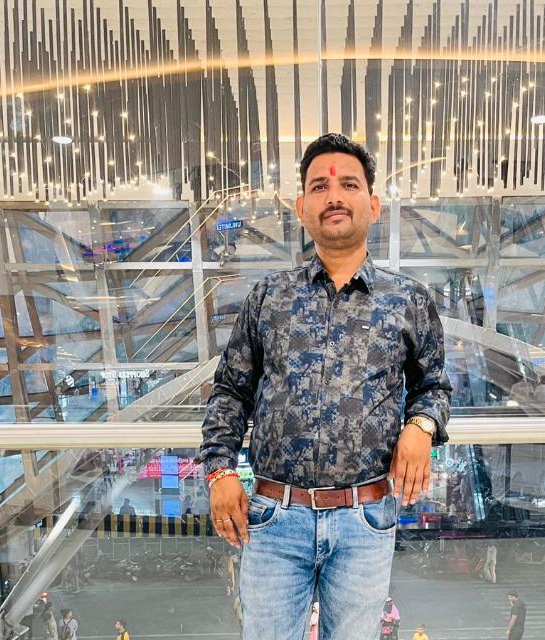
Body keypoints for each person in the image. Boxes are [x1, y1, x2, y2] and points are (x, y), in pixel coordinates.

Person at [198, 133, 452, 640]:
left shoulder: (409, 300)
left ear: (373, 205)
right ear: (302, 208)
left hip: (366, 521)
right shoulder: (268, 297)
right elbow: (230, 391)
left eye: (349, 185)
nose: (334, 196)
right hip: (273, 519)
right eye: (319, 187)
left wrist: (421, 426)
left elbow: (435, 387)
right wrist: (219, 471)